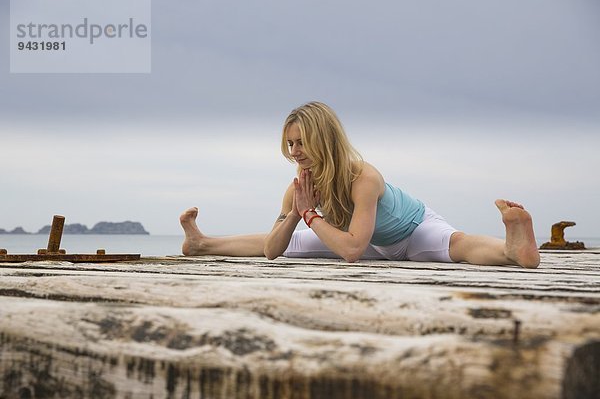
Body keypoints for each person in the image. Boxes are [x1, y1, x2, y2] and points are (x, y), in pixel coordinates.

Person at [180, 102, 540, 268]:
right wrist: (295, 213)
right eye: (290, 144)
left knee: (458, 244)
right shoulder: (298, 186)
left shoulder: (363, 178)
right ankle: (202, 244)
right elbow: (273, 250)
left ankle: (512, 250)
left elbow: (351, 252)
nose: (294, 152)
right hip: (366, 243)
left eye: (301, 142)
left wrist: (309, 214)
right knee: (285, 241)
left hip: (410, 233)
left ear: (324, 139)